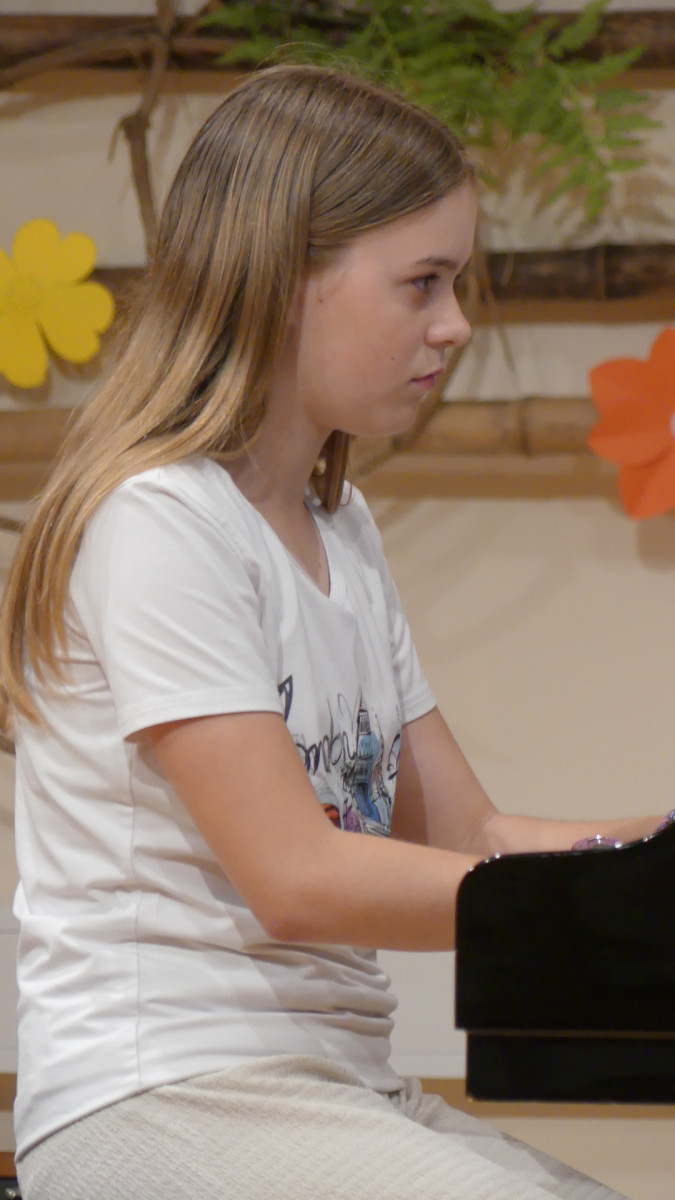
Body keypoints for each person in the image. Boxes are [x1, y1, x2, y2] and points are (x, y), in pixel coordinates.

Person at [0, 65, 659, 1200]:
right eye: (423, 282)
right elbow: (295, 878)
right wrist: (605, 907)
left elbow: (471, 832)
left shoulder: (342, 531)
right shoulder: (160, 522)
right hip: (162, 1091)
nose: (456, 324)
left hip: (336, 1084)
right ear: (283, 277)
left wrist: (654, 856)